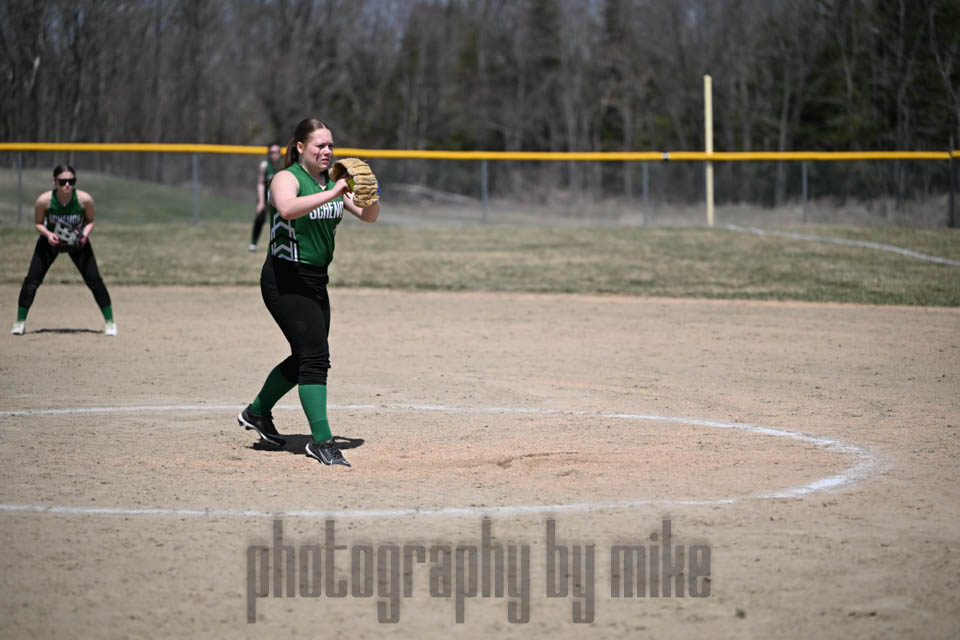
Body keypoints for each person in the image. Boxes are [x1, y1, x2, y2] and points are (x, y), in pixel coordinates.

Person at [238, 118, 379, 467]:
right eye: (320, 145)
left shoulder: (331, 181)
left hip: (316, 280)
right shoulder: (286, 178)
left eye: (331, 145)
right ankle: (322, 441)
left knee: (305, 356)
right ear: (300, 147)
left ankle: (257, 412)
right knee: (315, 358)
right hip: (285, 278)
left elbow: (369, 216)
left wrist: (371, 196)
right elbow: (287, 208)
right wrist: (335, 191)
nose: (327, 151)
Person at [12, 164, 116, 336]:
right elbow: (38, 223)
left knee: (95, 280)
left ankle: (110, 322)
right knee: (32, 280)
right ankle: (19, 322)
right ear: (54, 181)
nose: (67, 185)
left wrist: (83, 236)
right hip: (50, 242)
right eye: (62, 181)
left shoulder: (84, 200)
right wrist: (48, 235)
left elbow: (90, 220)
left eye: (71, 181)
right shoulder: (44, 201)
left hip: (77, 243)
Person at [249, 143, 283, 251]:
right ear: (268, 154)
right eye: (272, 152)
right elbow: (260, 184)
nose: (275, 155)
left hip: (279, 197)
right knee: (260, 219)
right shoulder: (264, 165)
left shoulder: (284, 165)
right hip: (265, 196)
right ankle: (253, 243)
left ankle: (281, 245)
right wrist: (261, 202)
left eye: (277, 152)